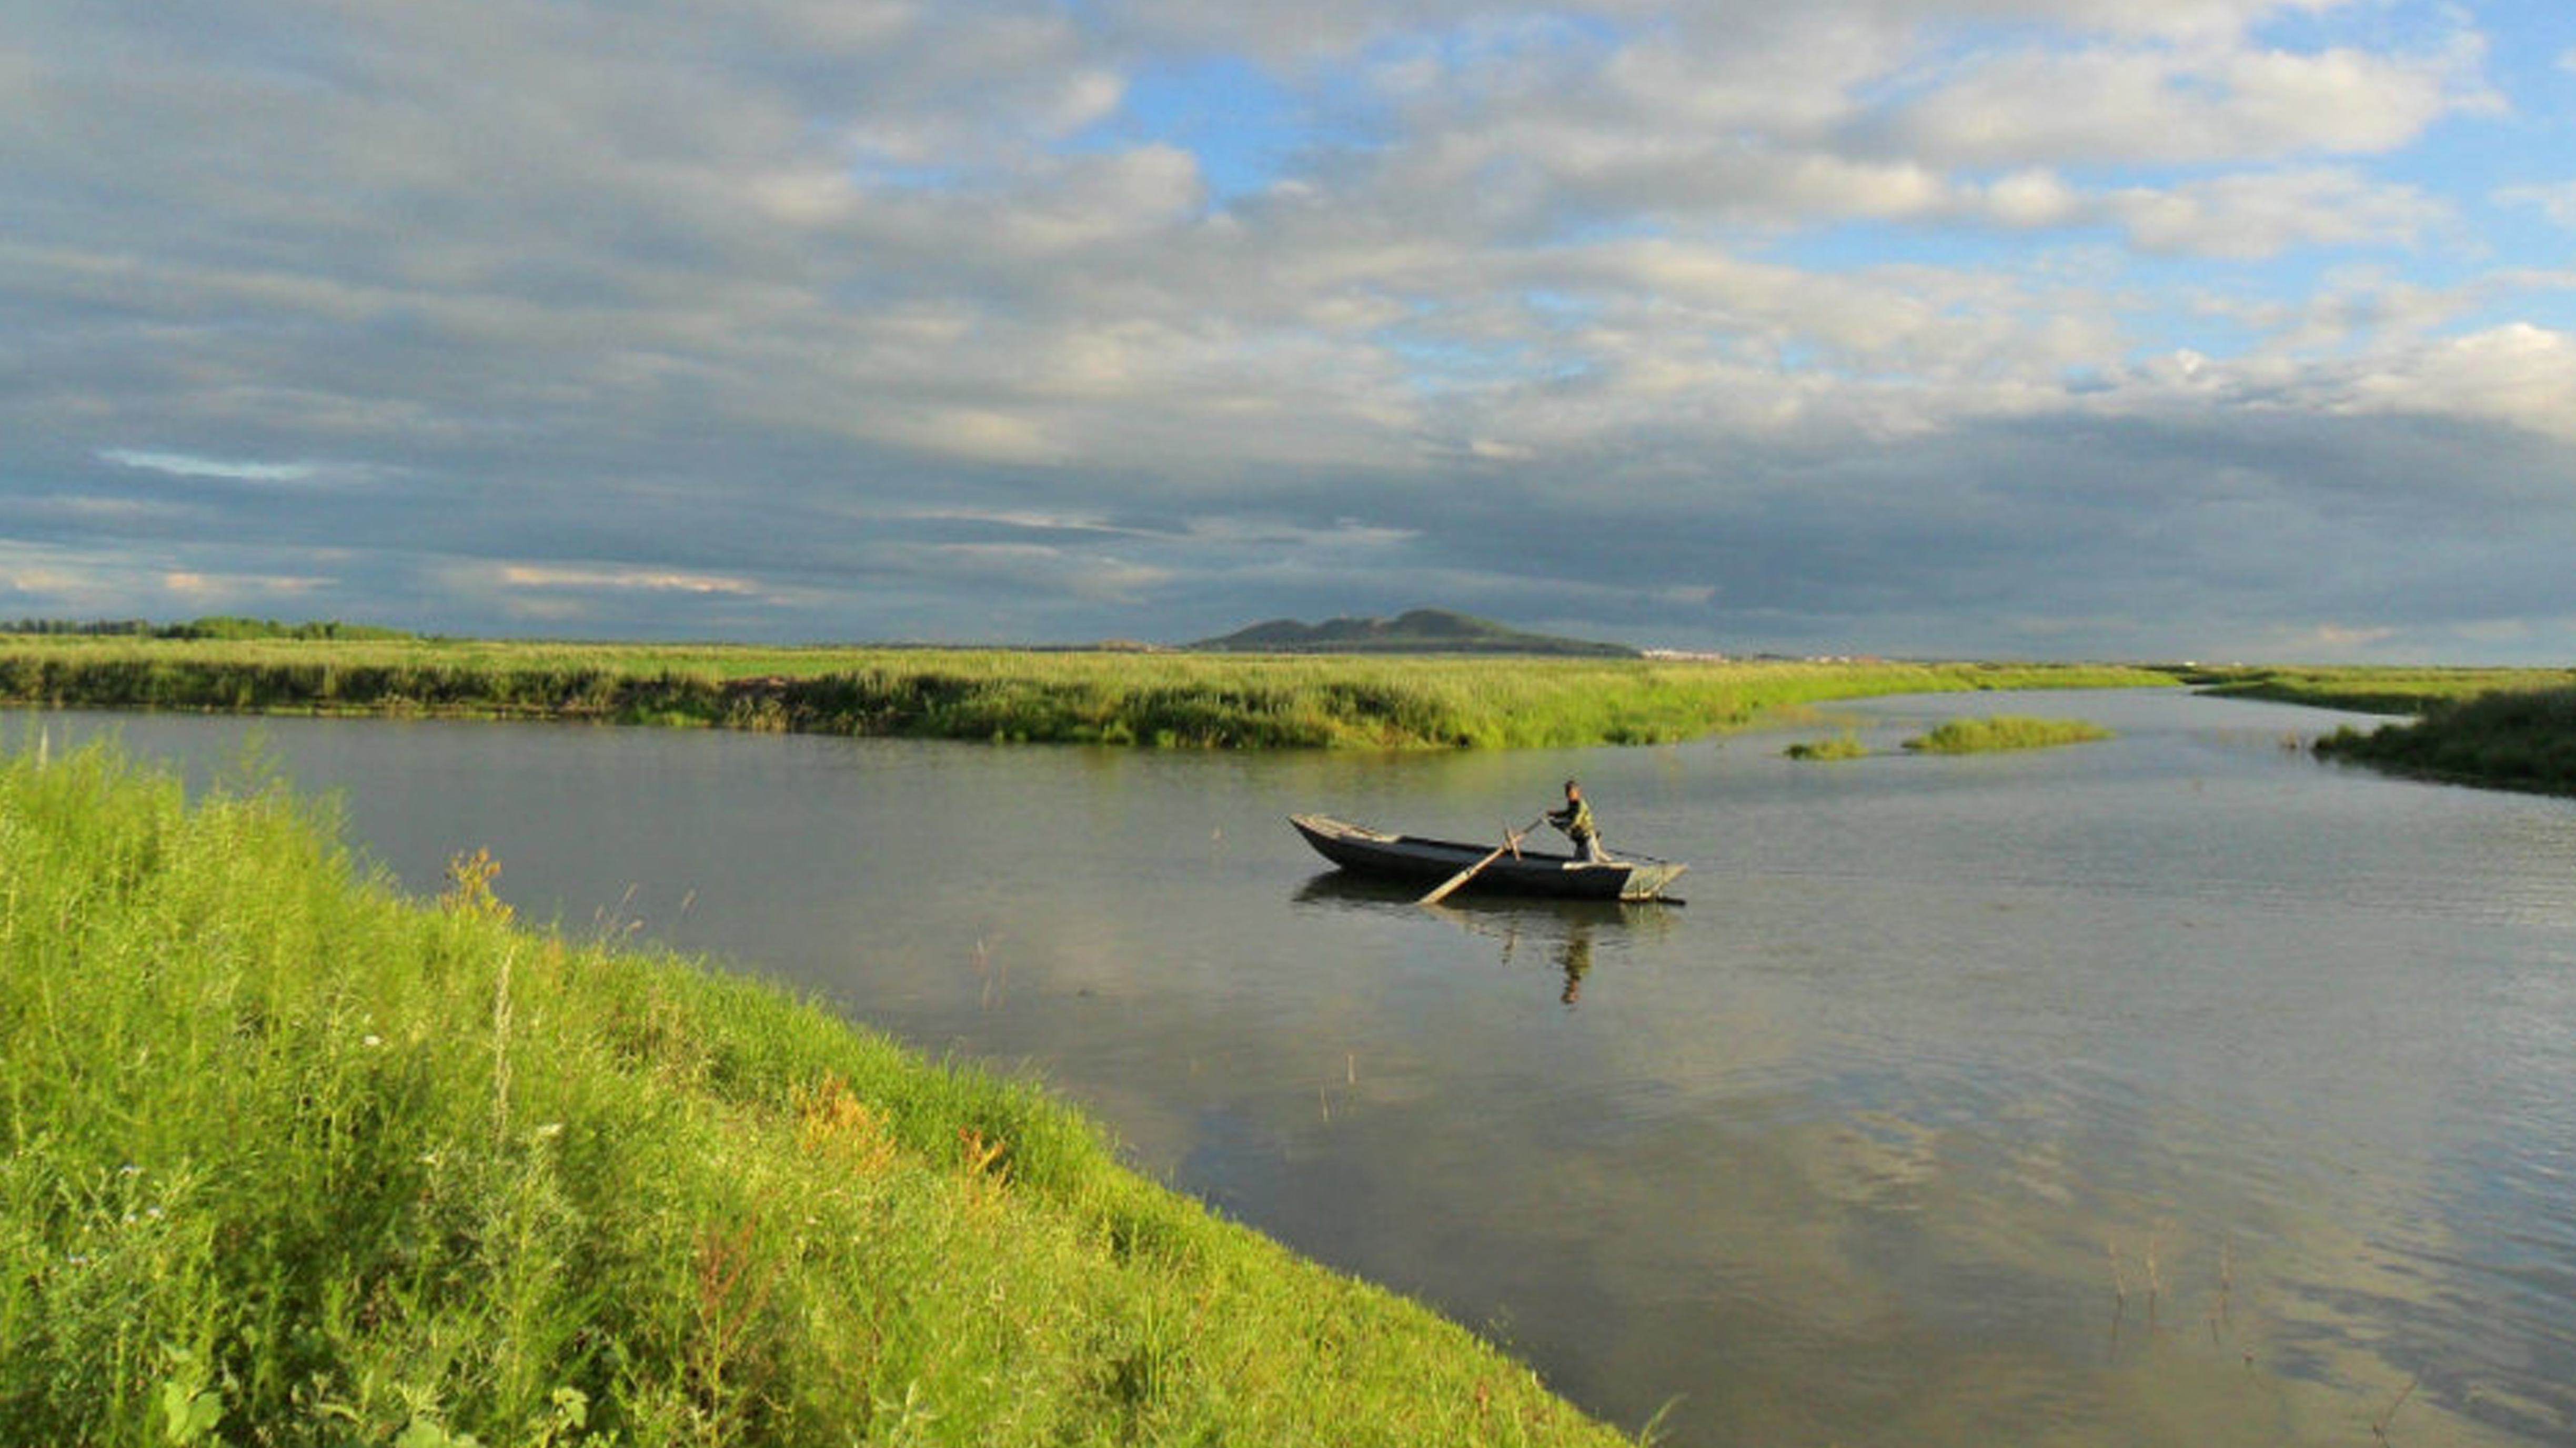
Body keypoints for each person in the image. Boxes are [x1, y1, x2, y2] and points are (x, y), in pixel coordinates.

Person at [1547, 779, 1609, 862]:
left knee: (1591, 865)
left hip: (1588, 840)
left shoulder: (1580, 805)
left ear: (1578, 793)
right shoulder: (1573, 803)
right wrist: (1555, 814)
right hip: (1580, 842)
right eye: (1567, 793)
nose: (1568, 795)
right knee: (1577, 864)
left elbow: (1574, 823)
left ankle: (1618, 868)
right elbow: (1568, 813)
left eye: (1570, 793)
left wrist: (1556, 824)